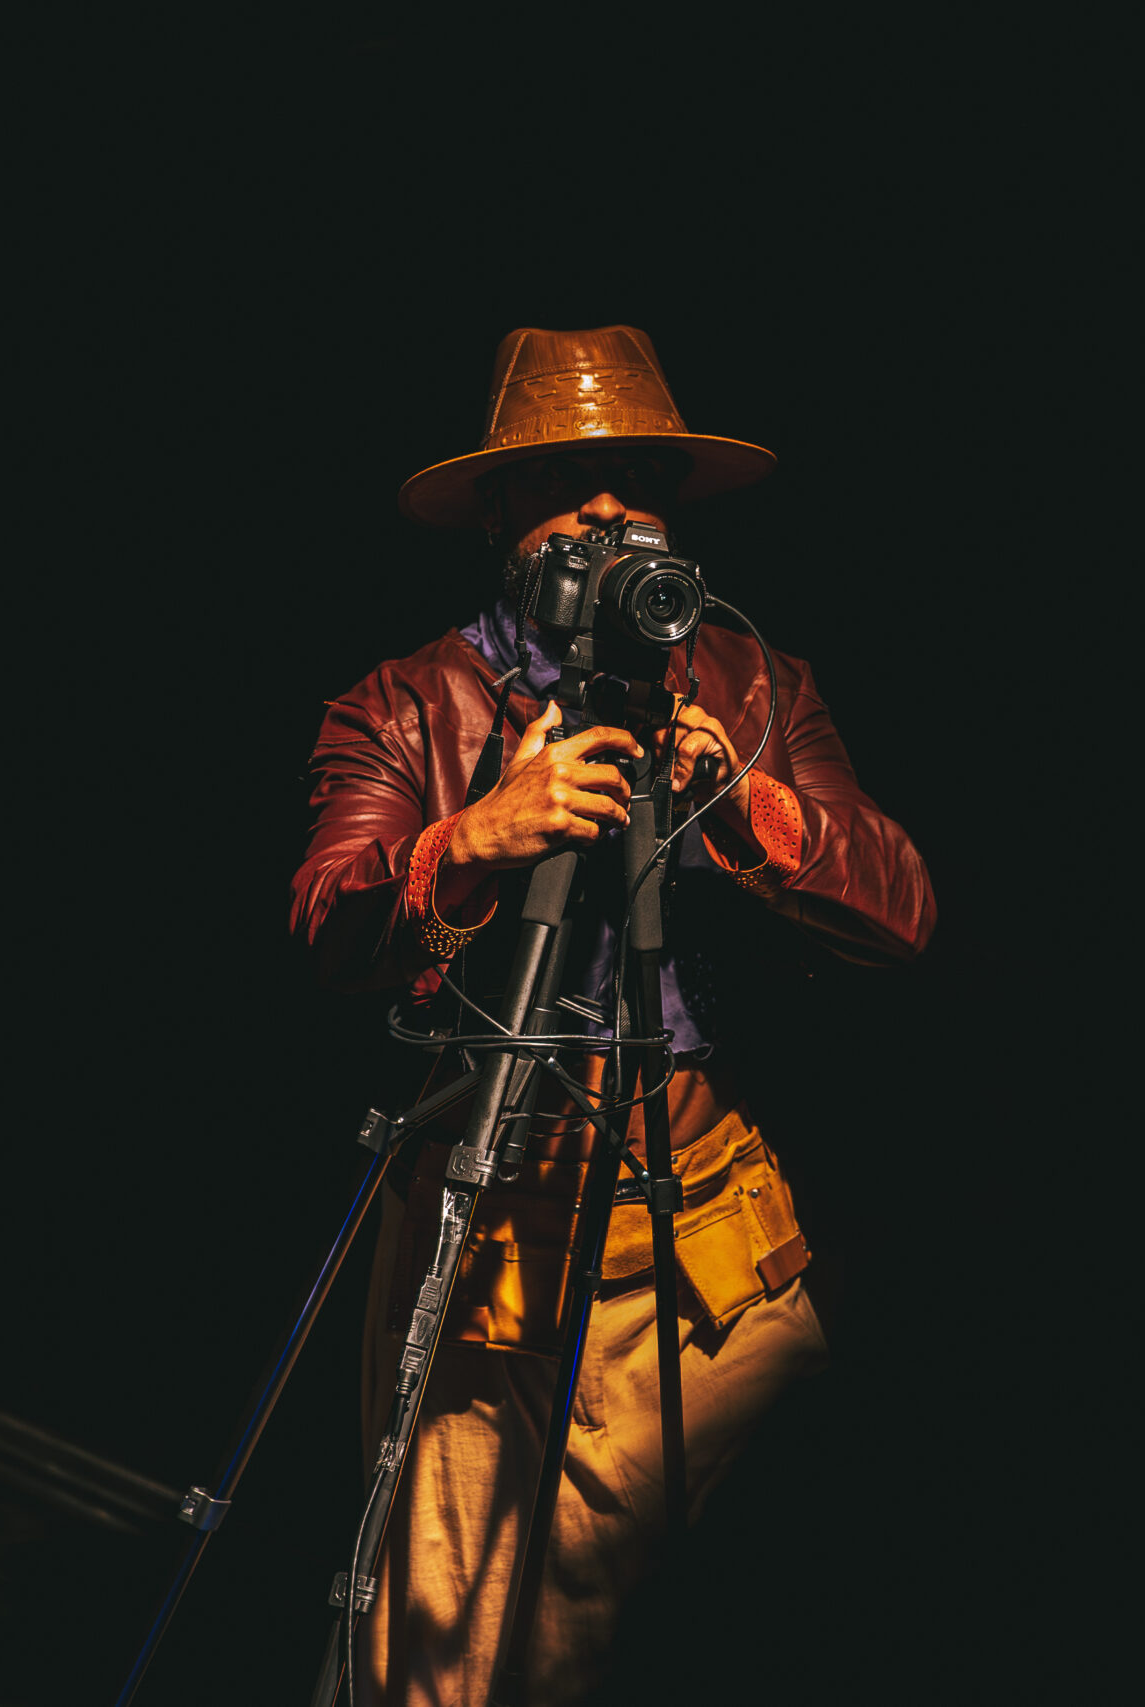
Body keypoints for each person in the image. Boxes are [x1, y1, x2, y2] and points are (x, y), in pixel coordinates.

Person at [289, 325, 935, 1705]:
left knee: (741, 1624)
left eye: (638, 484)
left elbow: (904, 910)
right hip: (497, 1245)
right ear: (497, 515)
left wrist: (755, 812)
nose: (610, 517)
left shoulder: (753, 685)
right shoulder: (410, 703)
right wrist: (476, 837)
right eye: (571, 486)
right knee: (457, 1655)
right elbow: (329, 924)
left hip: (703, 1227)